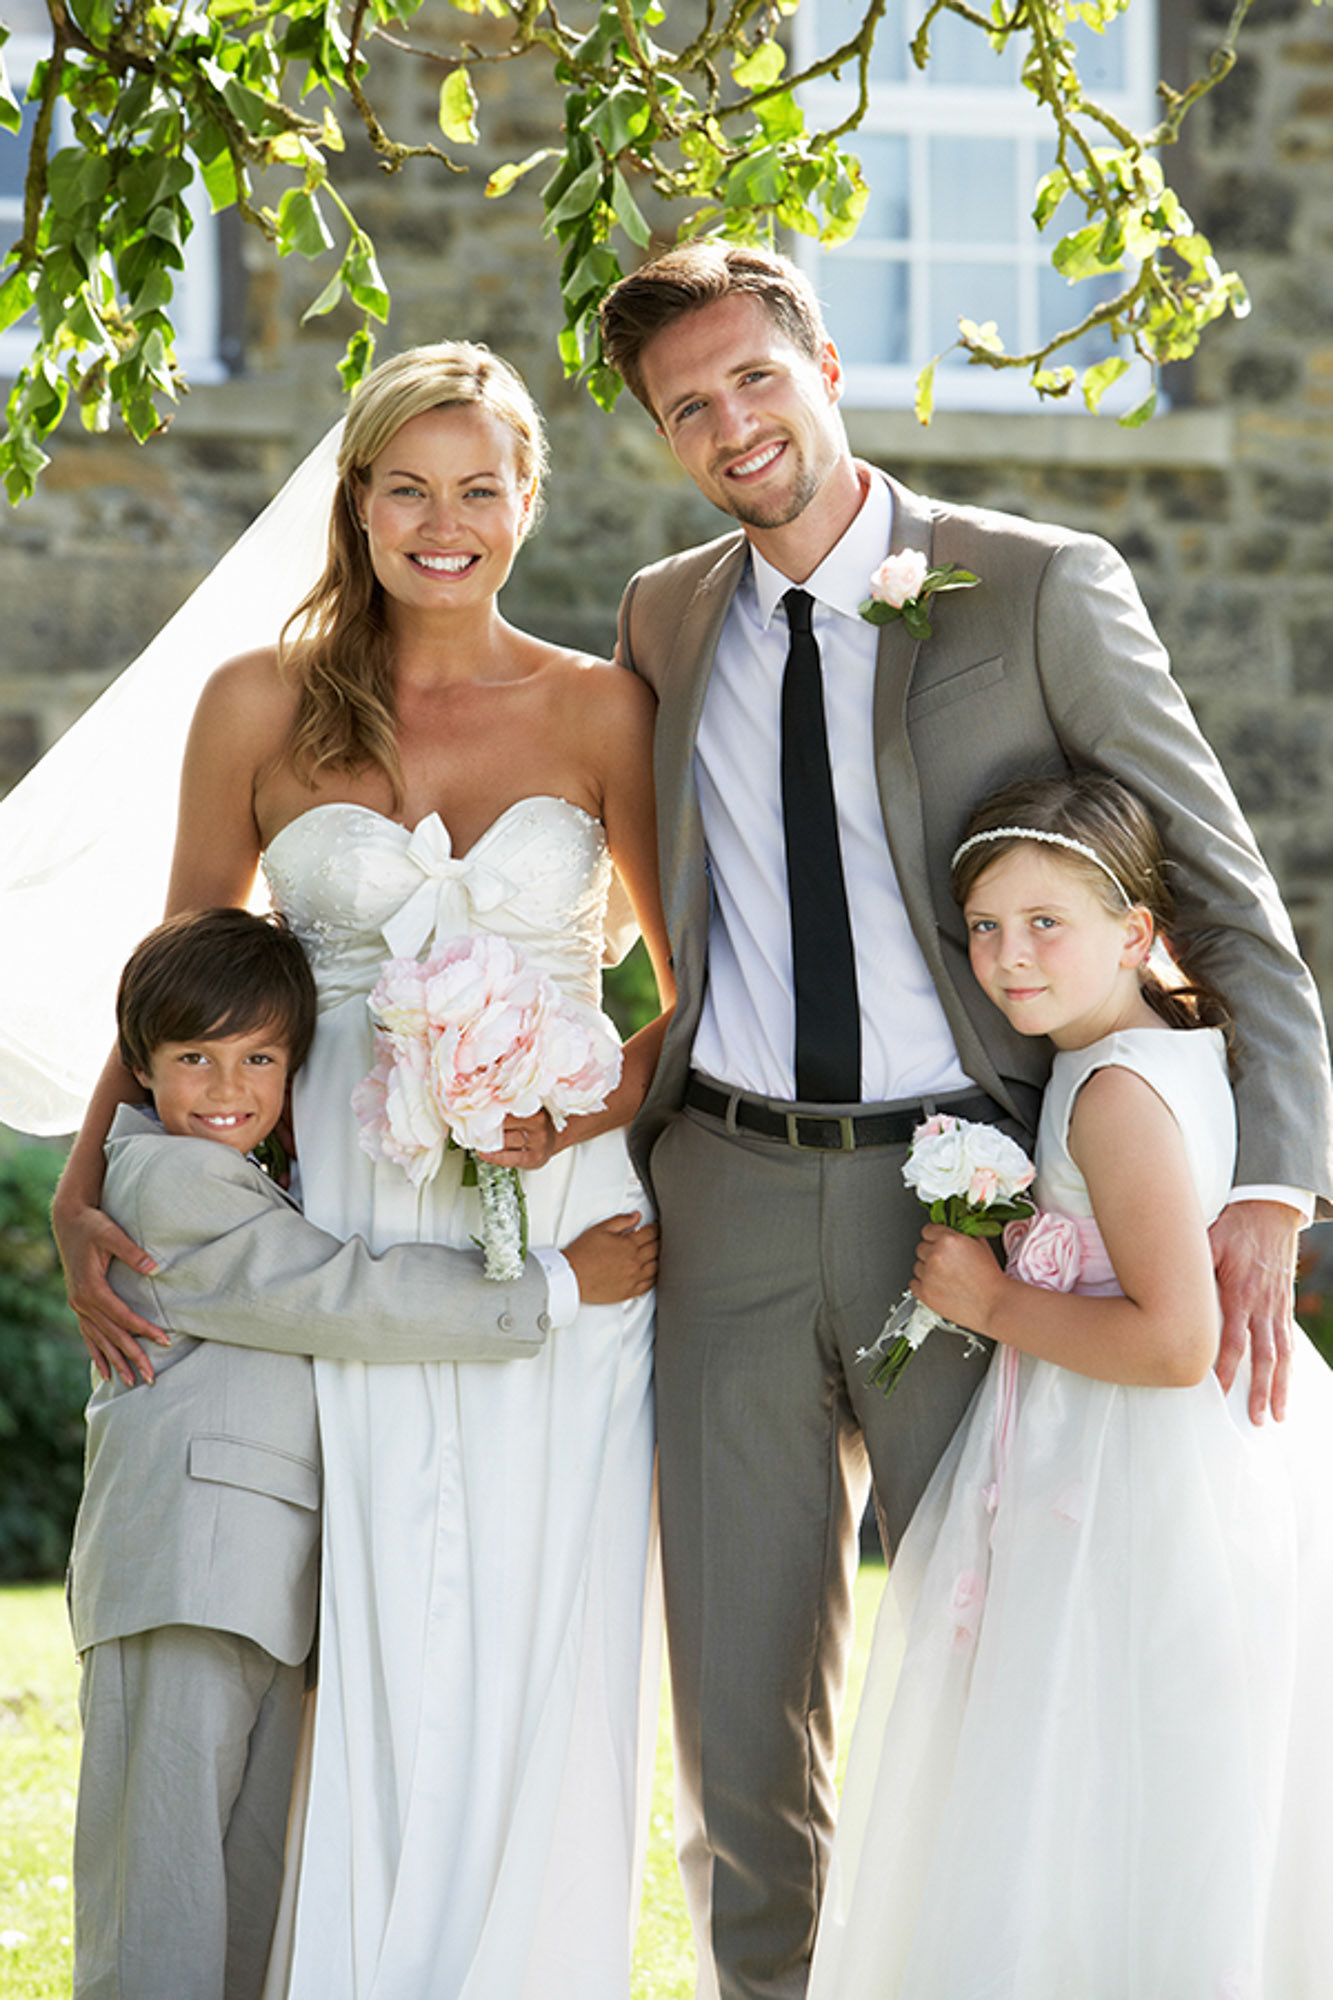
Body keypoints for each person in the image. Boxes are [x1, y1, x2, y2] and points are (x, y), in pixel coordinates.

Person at [597, 242, 1333, 1999]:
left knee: (1009, 1679)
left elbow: (1220, 895)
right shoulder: (662, 614)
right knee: (740, 1705)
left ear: (825, 363)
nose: (730, 425)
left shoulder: (1030, 584)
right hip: (727, 1188)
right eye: (686, 408)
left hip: (974, 1201)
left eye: (752, 380)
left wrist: (1278, 1181)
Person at [48, 342, 674, 1998]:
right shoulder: (262, 701)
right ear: (358, 501)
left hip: (559, 1213)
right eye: (407, 485)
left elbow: (688, 1004)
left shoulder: (603, 709)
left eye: (479, 487)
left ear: (527, 499)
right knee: (368, 1617)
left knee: (538, 1625)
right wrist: (90, 1176)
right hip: (339, 1204)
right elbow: (180, 966)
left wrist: (587, 1117)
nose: (443, 520)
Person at [807, 773, 1333, 1996]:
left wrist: (993, 1301)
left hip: (1129, 1465)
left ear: (1136, 933)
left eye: (1048, 922)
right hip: (1176, 1462)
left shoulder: (1111, 1094)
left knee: (1082, 1760)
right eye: (985, 926)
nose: (1008, 956)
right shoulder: (1172, 1049)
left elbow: (1170, 1343)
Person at [71, 905, 656, 2000]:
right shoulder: (165, 1183)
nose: (228, 1084)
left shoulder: (248, 1167)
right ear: (139, 1067)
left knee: (242, 1886)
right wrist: (557, 1282)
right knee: (158, 1892)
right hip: (183, 1576)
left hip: (254, 1584)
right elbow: (340, 1294)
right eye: (193, 1057)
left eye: (258, 1057)